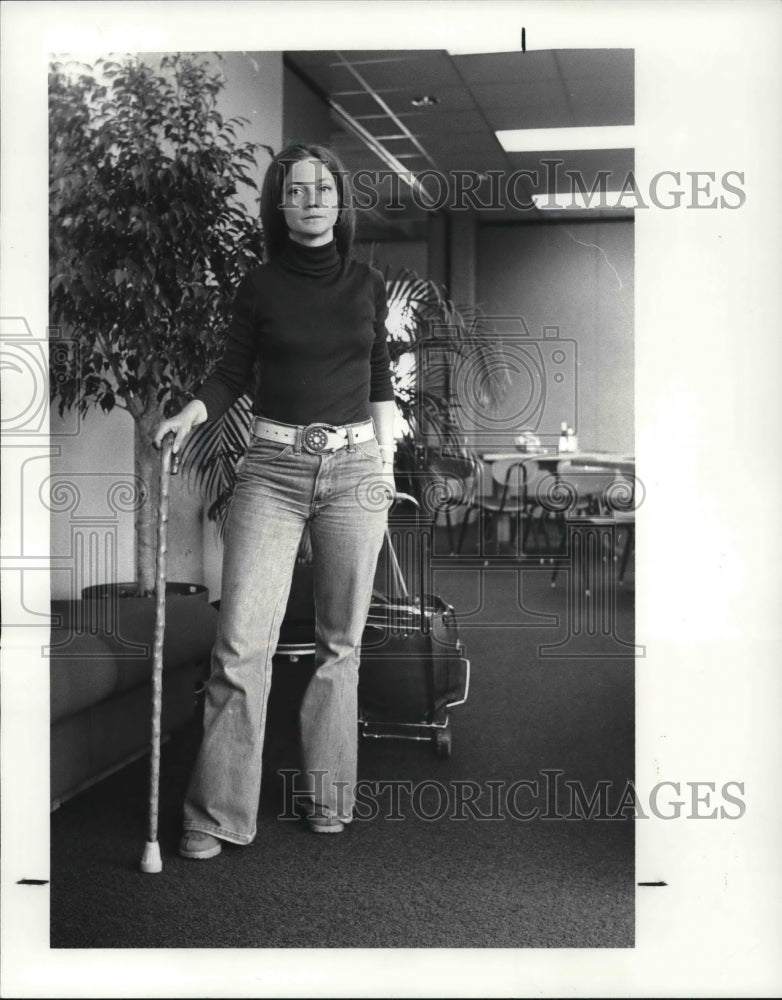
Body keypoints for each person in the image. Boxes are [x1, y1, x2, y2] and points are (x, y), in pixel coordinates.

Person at [153, 143, 396, 858]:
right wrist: (188, 414)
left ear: (338, 201)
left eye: (324, 187)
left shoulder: (366, 284)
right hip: (271, 468)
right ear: (281, 205)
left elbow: (379, 379)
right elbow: (231, 372)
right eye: (298, 189)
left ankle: (328, 800)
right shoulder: (259, 286)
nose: (313, 197)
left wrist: (384, 463)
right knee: (240, 646)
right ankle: (217, 814)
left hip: (356, 470)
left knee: (339, 646)